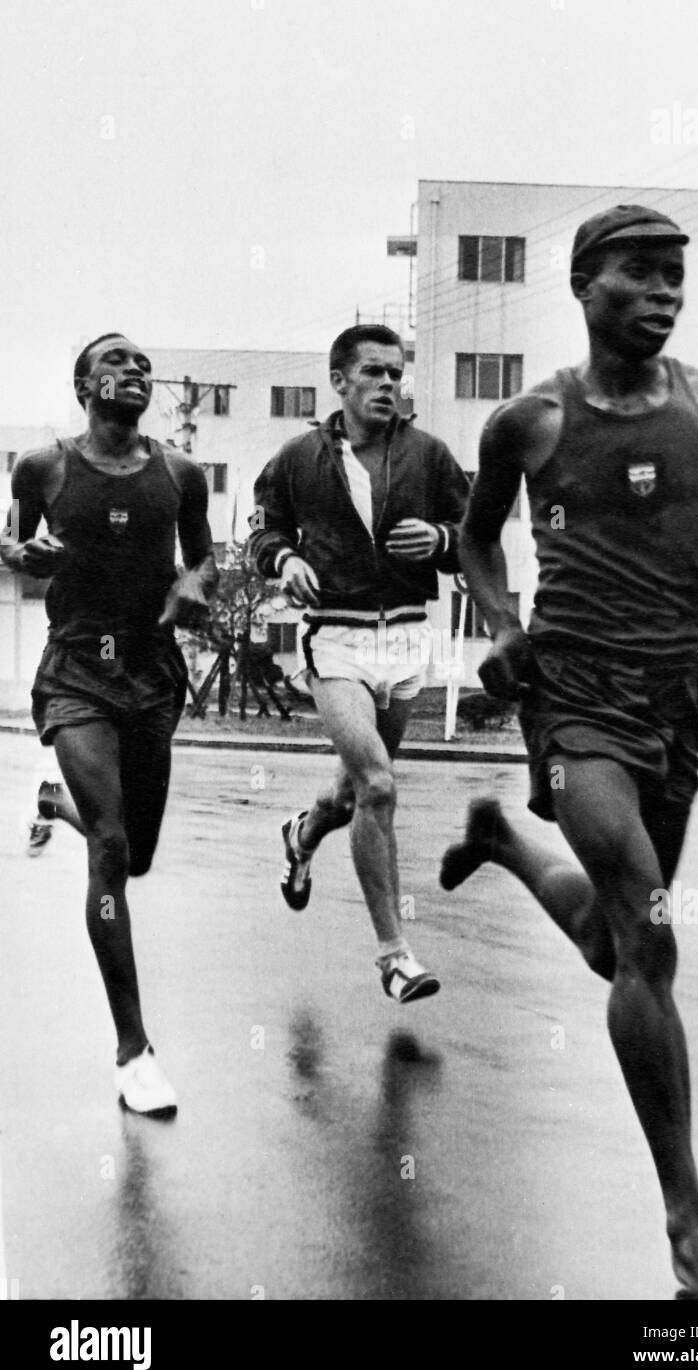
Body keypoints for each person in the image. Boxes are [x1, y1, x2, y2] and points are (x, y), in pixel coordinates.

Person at [439, 206, 698, 1300]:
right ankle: (687, 1219)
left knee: (608, 940)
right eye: (638, 274)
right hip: (571, 693)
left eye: (674, 277)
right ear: (582, 284)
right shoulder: (528, 422)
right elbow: (474, 536)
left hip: (670, 700)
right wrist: (500, 629)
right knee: (646, 937)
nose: (663, 293)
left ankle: (496, 835)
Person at [1, 333, 217, 1116]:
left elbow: (206, 557)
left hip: (152, 671)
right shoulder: (44, 466)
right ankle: (134, 1051)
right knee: (114, 847)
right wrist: (26, 553)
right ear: (83, 383)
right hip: (77, 671)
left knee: (136, 852)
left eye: (142, 365)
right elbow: (9, 539)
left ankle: (53, 804)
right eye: (117, 361)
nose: (135, 371)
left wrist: (195, 582)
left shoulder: (180, 473)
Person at [250, 324, 469, 1001]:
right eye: (373, 373)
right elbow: (264, 528)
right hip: (336, 640)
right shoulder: (298, 458)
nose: (387, 385)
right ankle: (394, 957)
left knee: (352, 793)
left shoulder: (429, 456)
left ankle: (304, 831)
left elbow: (475, 543)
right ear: (339, 381)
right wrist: (284, 561)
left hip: (406, 639)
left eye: (396, 374)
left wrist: (440, 537)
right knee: (378, 786)